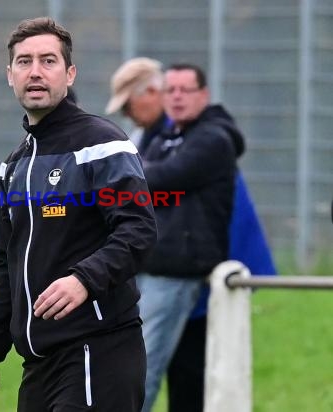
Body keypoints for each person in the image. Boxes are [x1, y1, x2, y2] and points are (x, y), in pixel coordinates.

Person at [0, 17, 157, 412]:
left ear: (69, 73)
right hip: (38, 363)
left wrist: (83, 280)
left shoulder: (102, 145)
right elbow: (6, 262)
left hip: (97, 351)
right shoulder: (14, 165)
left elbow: (138, 232)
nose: (35, 71)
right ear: (9, 75)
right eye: (24, 62)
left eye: (48, 60)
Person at [106, 59, 276, 412]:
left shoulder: (212, 139)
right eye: (172, 90)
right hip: (153, 267)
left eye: (187, 90)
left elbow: (158, 177)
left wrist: (134, 173)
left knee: (145, 367)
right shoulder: (168, 136)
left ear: (205, 95)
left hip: (181, 272)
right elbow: (142, 179)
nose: (178, 98)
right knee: (158, 368)